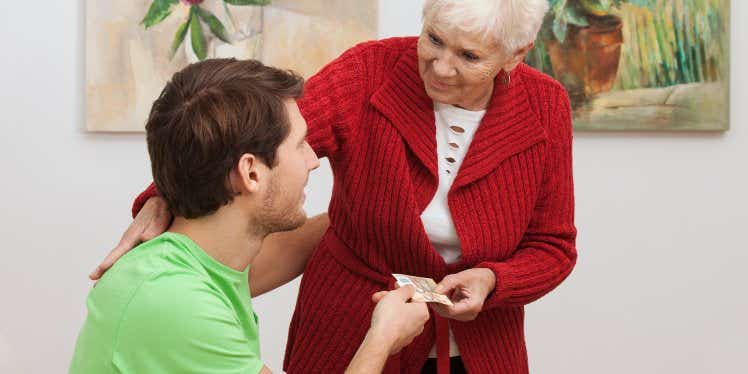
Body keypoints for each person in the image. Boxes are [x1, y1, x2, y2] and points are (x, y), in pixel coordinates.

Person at [91, 0, 579, 372]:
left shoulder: (546, 107)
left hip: (484, 348)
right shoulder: (369, 72)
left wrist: (495, 281)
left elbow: (554, 245)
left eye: (469, 56)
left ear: (517, 54)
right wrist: (162, 197)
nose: (441, 66)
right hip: (349, 327)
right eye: (433, 39)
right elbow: (255, 142)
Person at [71, 59, 430, 374]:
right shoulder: (174, 300)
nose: (313, 160)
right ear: (251, 173)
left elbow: (316, 237)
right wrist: (382, 339)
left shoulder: (193, 265)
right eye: (301, 144)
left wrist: (380, 207)